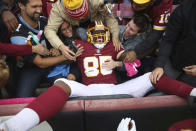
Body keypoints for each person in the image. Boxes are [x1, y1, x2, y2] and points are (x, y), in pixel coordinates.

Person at [1, 20, 196, 131]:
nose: (101, 37)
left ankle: (193, 92)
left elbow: (132, 64)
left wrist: (121, 61)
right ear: (89, 34)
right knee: (61, 82)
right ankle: (15, 126)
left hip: (115, 87)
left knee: (151, 76)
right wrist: (67, 60)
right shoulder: (80, 45)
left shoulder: (115, 45)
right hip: (88, 88)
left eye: (104, 33)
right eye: (97, 33)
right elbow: (68, 57)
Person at [9, 0, 70, 98]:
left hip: (53, 65)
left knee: (67, 90)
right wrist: (66, 56)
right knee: (22, 99)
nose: (39, 10)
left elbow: (56, 42)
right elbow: (40, 62)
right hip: (31, 69)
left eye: (40, 6)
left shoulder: (44, 20)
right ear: (21, 5)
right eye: (34, 7)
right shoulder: (17, 33)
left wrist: (57, 50)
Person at [44, 0, 122, 61]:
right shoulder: (58, 9)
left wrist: (115, 36)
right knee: (80, 32)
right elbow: (49, 30)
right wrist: (61, 46)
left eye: (82, 14)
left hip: (98, 25)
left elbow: (109, 17)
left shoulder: (96, 1)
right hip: (76, 29)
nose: (80, 18)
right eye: (76, 16)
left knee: (119, 32)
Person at [150, 0, 196, 87]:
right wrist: (159, 65)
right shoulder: (183, 9)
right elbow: (168, 40)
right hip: (174, 64)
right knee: (157, 85)